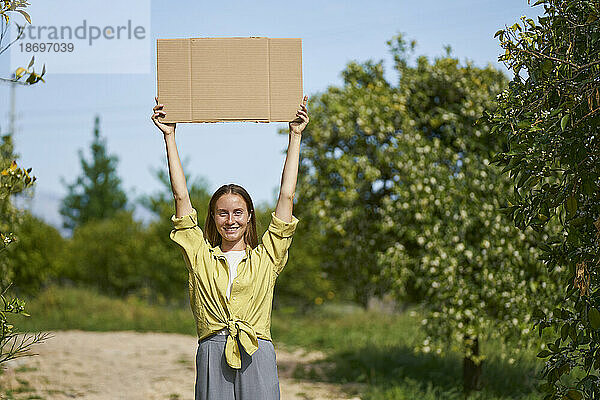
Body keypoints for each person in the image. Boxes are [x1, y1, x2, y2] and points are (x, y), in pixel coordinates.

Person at [151, 95, 309, 400]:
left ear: (249, 217)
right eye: (223, 212)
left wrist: (296, 135)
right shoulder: (200, 257)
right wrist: (169, 136)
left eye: (238, 212)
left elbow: (287, 197)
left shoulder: (267, 257)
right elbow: (181, 199)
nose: (230, 219)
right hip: (212, 353)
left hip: (257, 351)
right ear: (213, 217)